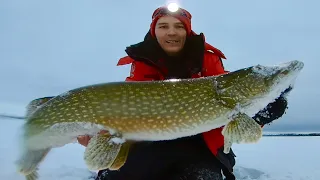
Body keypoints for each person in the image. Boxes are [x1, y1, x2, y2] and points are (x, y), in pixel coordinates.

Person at [78, 5, 292, 180]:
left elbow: (234, 110)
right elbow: (125, 112)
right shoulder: (142, 65)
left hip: (202, 146)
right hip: (147, 145)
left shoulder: (211, 66)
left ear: (187, 31)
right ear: (154, 31)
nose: (171, 32)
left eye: (178, 26)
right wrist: (97, 135)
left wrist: (261, 112)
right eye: (163, 26)